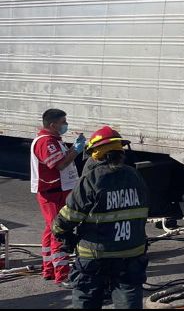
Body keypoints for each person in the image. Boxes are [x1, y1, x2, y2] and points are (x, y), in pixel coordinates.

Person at [52, 126, 149, 309]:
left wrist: (58, 230)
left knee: (86, 298)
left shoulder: (91, 178)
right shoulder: (135, 176)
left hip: (94, 254)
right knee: (129, 297)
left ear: (95, 154)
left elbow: (70, 215)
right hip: (131, 252)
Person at [30, 108, 85, 286]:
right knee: (59, 231)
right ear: (53, 124)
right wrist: (76, 150)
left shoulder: (53, 140)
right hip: (52, 193)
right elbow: (61, 165)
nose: (66, 125)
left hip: (57, 190)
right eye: (63, 122)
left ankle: (49, 268)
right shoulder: (46, 142)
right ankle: (62, 274)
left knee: (50, 230)